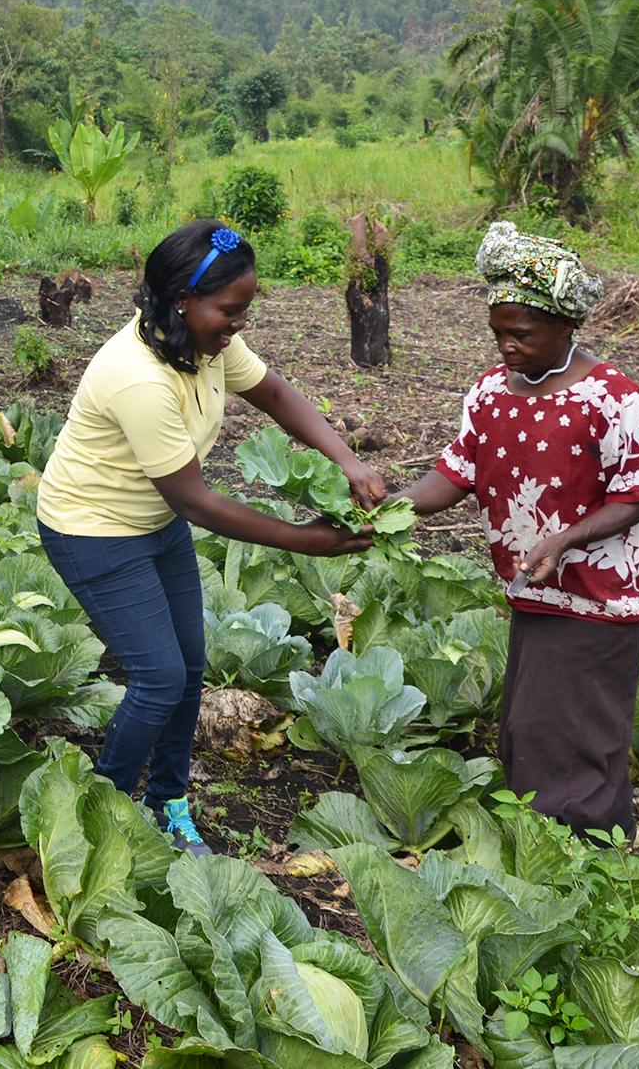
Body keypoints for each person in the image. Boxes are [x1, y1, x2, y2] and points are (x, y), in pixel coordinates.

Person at [36, 219, 387, 854]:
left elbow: (274, 392)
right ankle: (96, 817)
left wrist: (349, 459)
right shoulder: (137, 376)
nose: (238, 324)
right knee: (158, 677)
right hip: (93, 529)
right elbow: (195, 499)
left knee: (190, 665)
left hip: (152, 521)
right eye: (229, 310)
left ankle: (168, 802)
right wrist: (302, 539)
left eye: (244, 309)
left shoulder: (203, 341)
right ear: (180, 300)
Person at [393, 221, 639, 840]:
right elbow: (455, 473)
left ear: (566, 326)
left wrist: (564, 539)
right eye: (498, 333)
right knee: (528, 727)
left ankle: (587, 864)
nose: (506, 347)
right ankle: (549, 856)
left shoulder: (611, 397)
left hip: (596, 596)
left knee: (577, 734)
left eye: (521, 334)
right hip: (532, 588)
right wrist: (388, 511)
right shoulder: (491, 393)